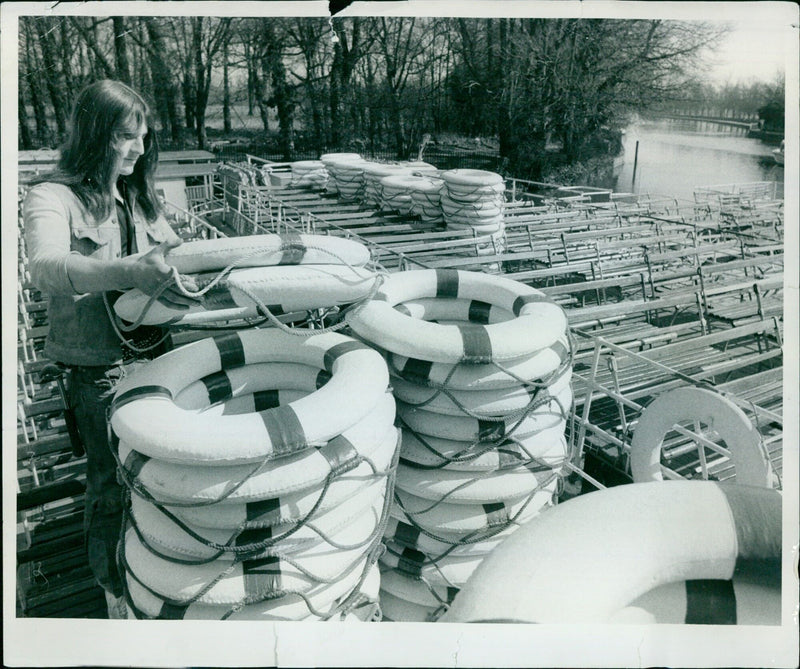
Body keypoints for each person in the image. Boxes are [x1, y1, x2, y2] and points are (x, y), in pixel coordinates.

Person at [23, 80, 200, 618]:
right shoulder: (50, 197)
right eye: (126, 137)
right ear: (97, 135)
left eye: (143, 137)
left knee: (161, 473)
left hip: (158, 356)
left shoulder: (139, 195)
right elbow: (45, 268)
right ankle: (115, 592)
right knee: (111, 485)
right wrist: (126, 271)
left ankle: (159, 573)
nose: (139, 150)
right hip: (98, 371)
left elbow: (177, 254)